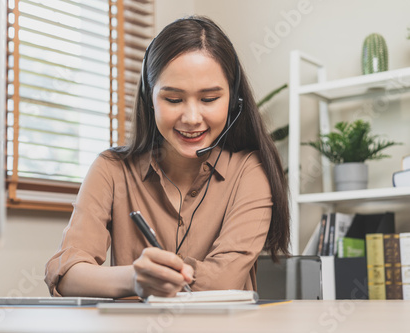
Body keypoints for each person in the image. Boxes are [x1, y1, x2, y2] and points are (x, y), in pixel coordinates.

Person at [45, 15, 290, 299]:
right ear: (150, 98)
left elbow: (224, 279)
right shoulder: (111, 169)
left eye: (209, 99)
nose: (192, 118)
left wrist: (152, 278)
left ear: (233, 101)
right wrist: (135, 278)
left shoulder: (250, 170)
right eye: (173, 99)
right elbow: (66, 274)